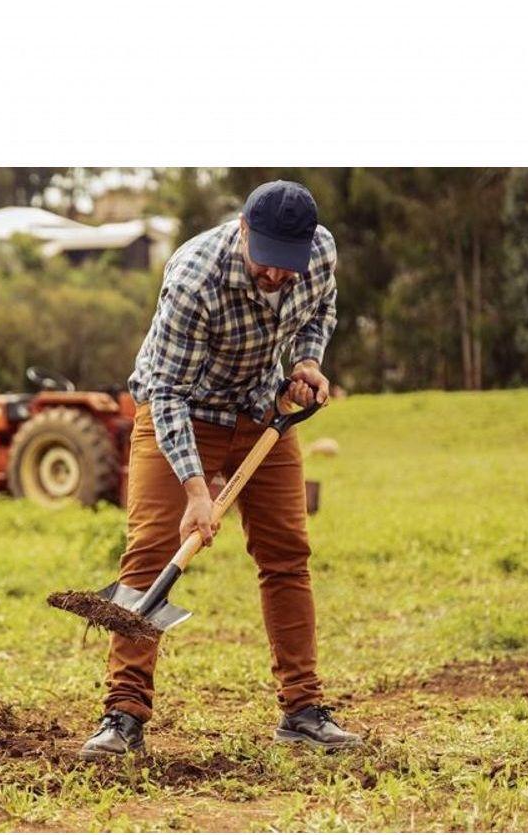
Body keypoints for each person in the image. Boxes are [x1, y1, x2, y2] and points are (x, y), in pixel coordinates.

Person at [80, 179, 361, 759]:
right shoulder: (194, 278)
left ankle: (303, 711)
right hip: (180, 414)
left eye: (290, 265)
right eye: (268, 261)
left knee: (287, 555)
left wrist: (308, 360)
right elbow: (169, 393)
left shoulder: (320, 253)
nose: (278, 276)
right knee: (150, 553)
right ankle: (123, 714)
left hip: (263, 415)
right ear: (242, 230)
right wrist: (195, 490)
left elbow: (321, 308)